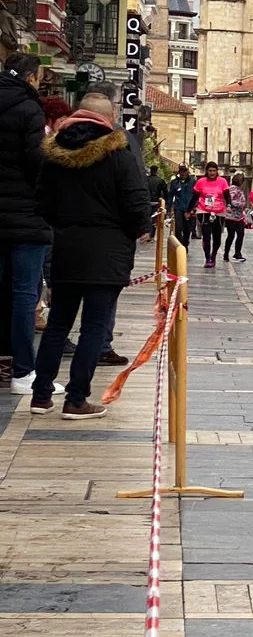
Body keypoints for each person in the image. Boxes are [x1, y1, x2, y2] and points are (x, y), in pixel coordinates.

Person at [28, 94, 150, 420]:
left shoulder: (54, 154)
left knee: (58, 324)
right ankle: (76, 398)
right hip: (107, 251)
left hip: (66, 247)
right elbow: (136, 198)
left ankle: (41, 395)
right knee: (94, 328)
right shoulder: (119, 153)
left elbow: (41, 202)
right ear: (108, 118)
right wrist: (142, 227)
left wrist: (63, 225)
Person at [0, 46, 48, 393]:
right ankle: (21, 371)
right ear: (32, 77)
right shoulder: (30, 110)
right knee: (22, 294)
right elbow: (38, 164)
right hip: (24, 217)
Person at [192, 161, 229, 267]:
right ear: (206, 171)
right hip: (204, 211)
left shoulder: (222, 181)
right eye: (210, 171)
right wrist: (189, 210)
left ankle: (213, 255)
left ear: (217, 171)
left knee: (217, 237)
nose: (212, 173)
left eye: (214, 171)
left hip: (219, 211)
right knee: (206, 236)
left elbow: (227, 196)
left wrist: (229, 206)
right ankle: (208, 258)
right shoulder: (201, 182)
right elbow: (195, 197)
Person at [223, 173, 251, 263]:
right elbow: (229, 200)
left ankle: (237, 253)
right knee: (231, 235)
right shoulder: (233, 189)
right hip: (231, 216)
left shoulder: (238, 189)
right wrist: (240, 204)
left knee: (240, 234)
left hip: (238, 217)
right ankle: (227, 254)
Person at [169, 164, 197, 247]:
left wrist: (195, 207)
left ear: (187, 172)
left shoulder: (193, 181)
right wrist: (168, 207)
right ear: (179, 172)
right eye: (182, 172)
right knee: (178, 228)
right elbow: (171, 195)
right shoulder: (174, 183)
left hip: (189, 208)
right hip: (178, 207)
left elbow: (196, 195)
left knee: (187, 229)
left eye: (185, 172)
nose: (183, 174)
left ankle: (185, 243)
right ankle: (180, 244)